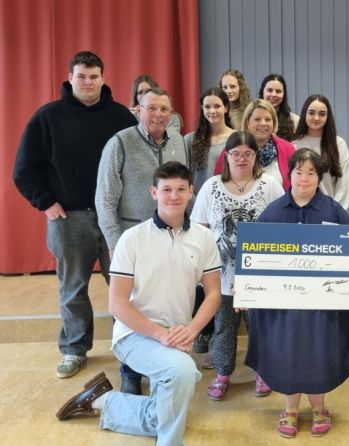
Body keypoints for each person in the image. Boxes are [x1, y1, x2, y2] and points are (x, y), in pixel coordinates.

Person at [56, 161, 221, 446]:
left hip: (178, 335)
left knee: (165, 413)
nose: (174, 196)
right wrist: (160, 335)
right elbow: (117, 304)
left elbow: (214, 293)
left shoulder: (204, 237)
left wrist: (192, 330)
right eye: (166, 189)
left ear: (191, 192)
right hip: (135, 335)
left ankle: (103, 401)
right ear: (154, 193)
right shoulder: (132, 239)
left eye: (181, 189)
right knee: (182, 373)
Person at [13, 51, 137, 379]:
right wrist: (46, 203)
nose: (88, 82)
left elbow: (136, 166)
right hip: (68, 219)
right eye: (81, 76)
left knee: (126, 286)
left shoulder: (121, 117)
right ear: (70, 78)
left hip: (115, 219)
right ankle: (74, 349)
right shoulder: (47, 117)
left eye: (94, 76)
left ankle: (132, 346)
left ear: (103, 78)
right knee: (72, 288)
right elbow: (24, 170)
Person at [245, 148, 349, 439]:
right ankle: (290, 409)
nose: (305, 178)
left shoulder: (333, 210)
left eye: (311, 172)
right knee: (287, 353)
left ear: (319, 177)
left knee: (319, 352)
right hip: (284, 307)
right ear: (290, 174)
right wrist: (244, 287)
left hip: (321, 307)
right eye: (299, 171)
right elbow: (252, 255)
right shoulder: (273, 211)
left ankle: (320, 408)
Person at [96, 88, 190, 394]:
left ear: (171, 113)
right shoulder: (119, 142)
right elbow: (105, 198)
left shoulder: (178, 141)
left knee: (161, 301)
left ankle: (160, 362)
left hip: (170, 237)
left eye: (164, 109)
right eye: (152, 108)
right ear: (138, 110)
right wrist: (114, 243)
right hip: (131, 239)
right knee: (130, 304)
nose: (158, 115)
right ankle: (130, 371)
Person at [192, 131, 284, 401]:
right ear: (227, 156)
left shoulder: (270, 185)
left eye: (248, 153)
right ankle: (222, 375)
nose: (241, 159)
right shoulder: (210, 187)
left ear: (256, 156)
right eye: (236, 154)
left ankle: (263, 371)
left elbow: (283, 224)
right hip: (220, 276)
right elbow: (198, 230)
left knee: (261, 327)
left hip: (260, 276)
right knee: (223, 327)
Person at [214, 99, 295, 189]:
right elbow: (218, 183)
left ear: (274, 122)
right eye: (257, 119)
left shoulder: (288, 149)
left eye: (268, 119)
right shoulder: (232, 149)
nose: (263, 123)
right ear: (248, 122)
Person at [292, 94, 349, 210]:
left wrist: (335, 211)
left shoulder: (338, 144)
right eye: (311, 113)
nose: (316, 118)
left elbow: (344, 184)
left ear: (328, 117)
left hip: (329, 212)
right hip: (299, 211)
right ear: (304, 114)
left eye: (322, 114)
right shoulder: (293, 146)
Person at [184, 87, 235, 192]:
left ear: (226, 108)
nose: (212, 111)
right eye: (207, 107)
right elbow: (184, 175)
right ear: (202, 108)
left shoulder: (237, 138)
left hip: (226, 198)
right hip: (196, 200)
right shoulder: (189, 140)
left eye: (217, 106)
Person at [259, 74, 299, 141]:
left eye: (278, 91)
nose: (274, 94)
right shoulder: (252, 118)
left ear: (284, 94)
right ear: (262, 91)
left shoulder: (295, 121)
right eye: (270, 90)